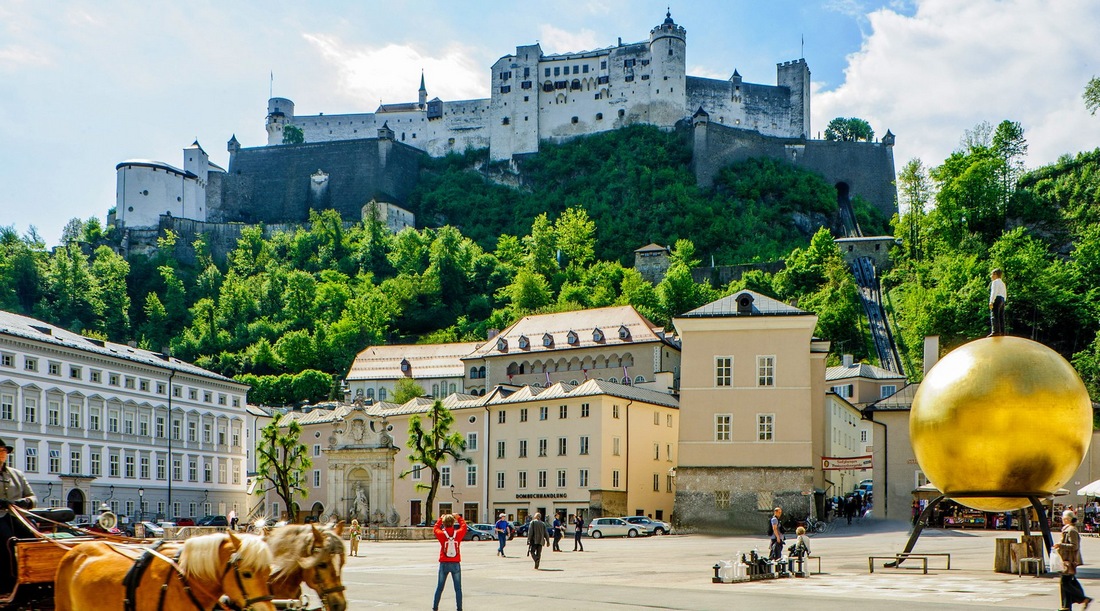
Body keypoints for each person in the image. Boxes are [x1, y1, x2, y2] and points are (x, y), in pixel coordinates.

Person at [0, 438, 36, 594]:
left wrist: (25, 502)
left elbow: (33, 498)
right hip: (0, 517)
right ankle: (8, 582)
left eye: (4, 451)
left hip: (18, 516)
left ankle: (33, 577)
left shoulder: (17, 475)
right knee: (9, 541)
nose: (2, 454)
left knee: (33, 538)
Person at [1055, 510, 1092, 610]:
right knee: (1069, 582)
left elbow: (1074, 546)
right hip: (1066, 559)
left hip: (1069, 560)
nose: (1062, 519)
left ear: (1067, 519)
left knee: (1065, 582)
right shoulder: (1067, 529)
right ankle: (1066, 606)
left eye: (1063, 517)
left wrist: (1060, 545)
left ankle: (1082, 599)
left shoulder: (1071, 530)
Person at [433, 513, 466, 611]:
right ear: (453, 523)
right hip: (455, 562)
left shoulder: (442, 534)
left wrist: (440, 519)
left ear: (444, 523)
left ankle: (435, 607)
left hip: (444, 562)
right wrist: (459, 518)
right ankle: (459, 608)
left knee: (439, 587)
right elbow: (464, 527)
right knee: (458, 589)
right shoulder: (458, 534)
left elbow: (435, 528)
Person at [989, 268, 1006, 337]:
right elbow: (1005, 293)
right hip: (1002, 299)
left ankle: (995, 331)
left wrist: (991, 301)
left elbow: (994, 292)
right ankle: (1002, 331)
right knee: (1001, 316)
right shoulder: (1002, 283)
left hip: (997, 298)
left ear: (995, 274)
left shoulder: (995, 282)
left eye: (992, 274)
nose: (991, 276)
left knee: (994, 315)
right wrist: (1004, 301)